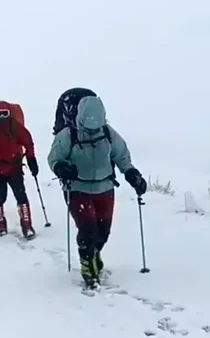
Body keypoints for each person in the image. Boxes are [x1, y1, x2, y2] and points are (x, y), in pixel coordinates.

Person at [48, 88, 147, 288]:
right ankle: (87, 264)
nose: (93, 130)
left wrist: (131, 173)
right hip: (77, 189)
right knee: (87, 230)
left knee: (103, 231)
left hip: (105, 187)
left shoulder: (108, 133)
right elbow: (54, 158)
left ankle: (94, 252)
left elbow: (121, 155)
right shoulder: (68, 135)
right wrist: (61, 168)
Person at [0, 100, 39, 239]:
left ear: (10, 113)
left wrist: (31, 159)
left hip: (14, 167)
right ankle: (0, 223)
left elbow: (28, 142)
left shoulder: (15, 127)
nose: (2, 117)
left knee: (21, 195)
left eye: (5, 113)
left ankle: (27, 224)